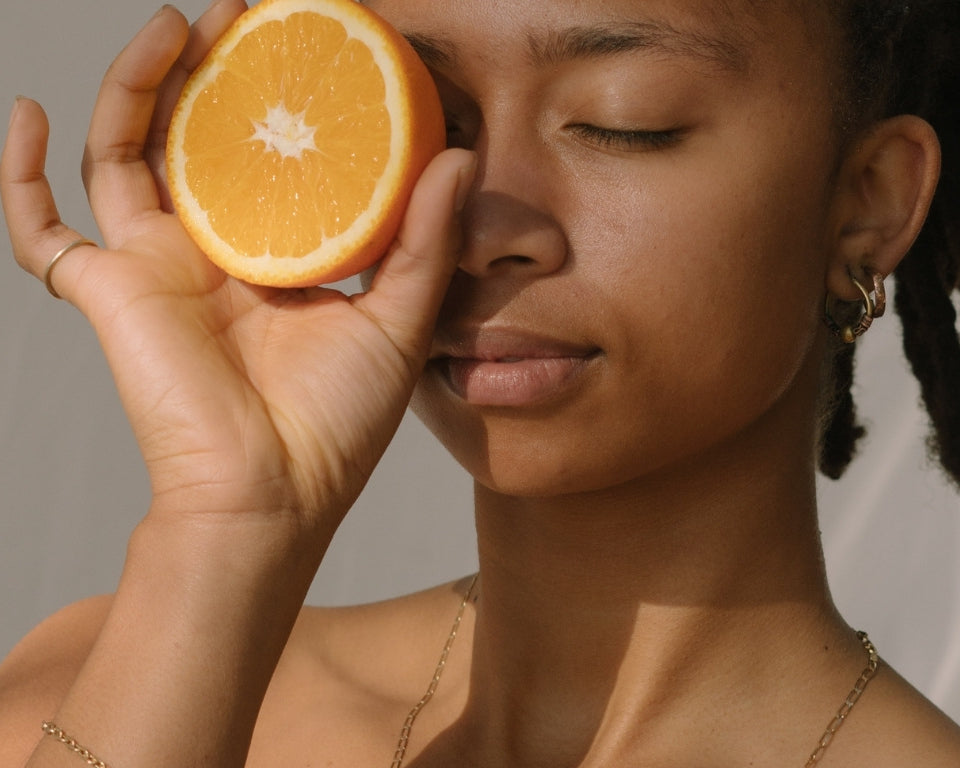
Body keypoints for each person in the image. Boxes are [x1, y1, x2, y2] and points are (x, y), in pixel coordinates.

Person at [1, 0, 958, 765]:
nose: (483, 221)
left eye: (622, 124)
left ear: (867, 203)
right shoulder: (88, 690)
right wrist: (225, 530)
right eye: (434, 125)